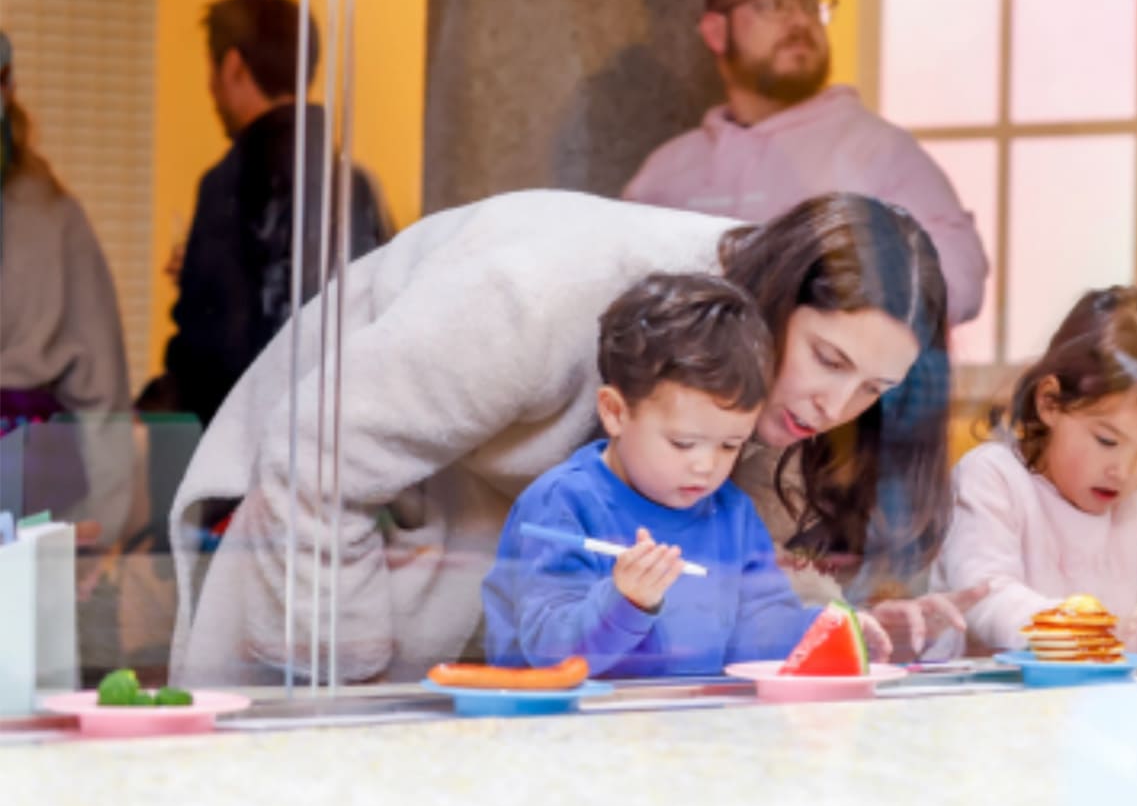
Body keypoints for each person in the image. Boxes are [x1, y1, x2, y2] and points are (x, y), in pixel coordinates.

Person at [167, 191, 971, 687]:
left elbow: (743, 550)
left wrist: (838, 634)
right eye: (828, 360)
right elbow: (314, 458)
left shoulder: (758, 361)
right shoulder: (537, 295)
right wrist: (358, 684)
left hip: (499, 560)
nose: (836, 405)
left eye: (874, 389)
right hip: (327, 506)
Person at [482, 273, 887, 676]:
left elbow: (758, 630)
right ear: (616, 413)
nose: (706, 466)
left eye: (731, 445)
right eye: (683, 443)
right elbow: (549, 650)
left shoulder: (731, 512)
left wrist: (821, 629)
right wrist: (625, 602)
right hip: (559, 730)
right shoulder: (563, 503)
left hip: (683, 727)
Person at [620, 0, 988, 326]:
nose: (800, 21)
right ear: (716, 31)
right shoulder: (665, 171)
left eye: (811, 5)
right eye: (774, 4)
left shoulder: (878, 150)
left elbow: (959, 281)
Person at [928, 287, 1137, 658]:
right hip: (992, 706)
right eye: (1107, 441)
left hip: (1089, 708)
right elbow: (986, 599)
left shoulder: (1132, 510)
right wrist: (1105, 633)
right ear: (1050, 403)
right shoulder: (992, 478)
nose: (1123, 472)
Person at [155, 0, 393, 430]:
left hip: (255, 452)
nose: (210, 89)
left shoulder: (231, 184)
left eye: (211, 71)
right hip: (348, 443)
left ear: (233, 67)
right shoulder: (354, 182)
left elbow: (214, 351)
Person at [0, 31, 135, 543]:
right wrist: (104, 522)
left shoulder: (53, 215)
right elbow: (102, 383)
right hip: (35, 490)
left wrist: (102, 523)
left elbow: (101, 383)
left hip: (33, 495)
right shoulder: (56, 214)